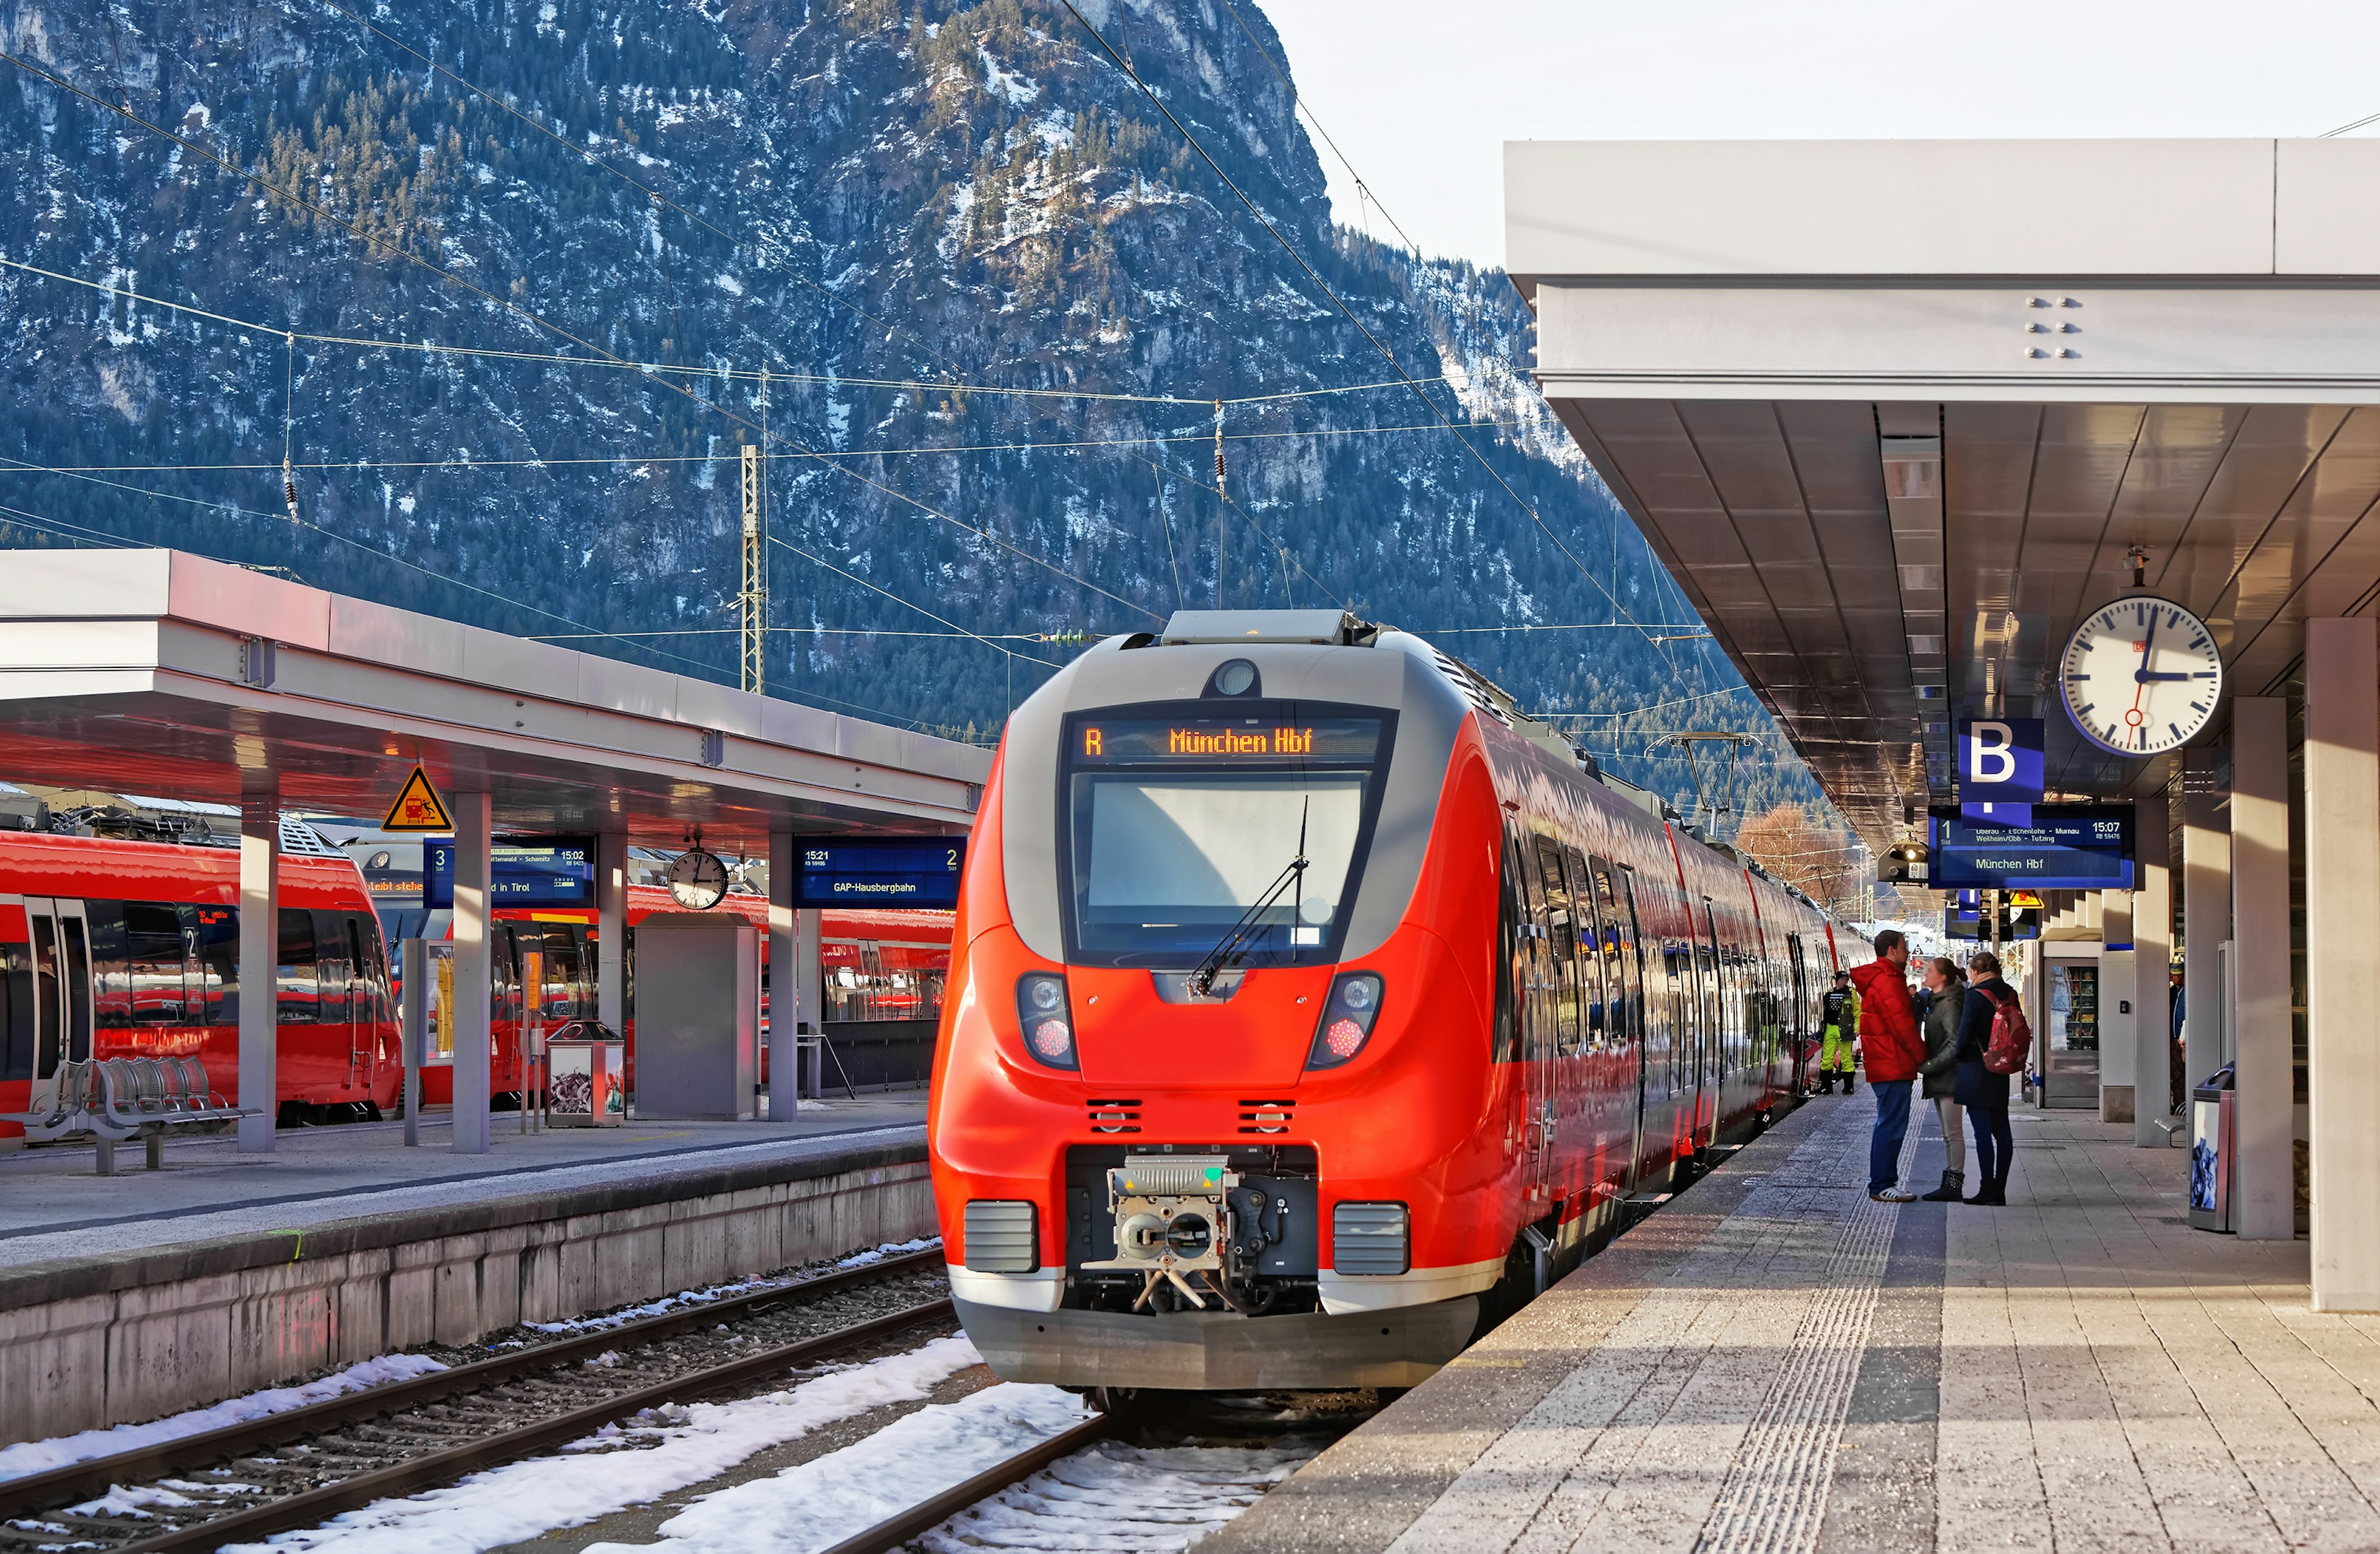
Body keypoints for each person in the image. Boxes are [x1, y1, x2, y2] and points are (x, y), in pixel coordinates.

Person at [1850, 929, 1924, 1202]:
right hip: (1892, 1063)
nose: (1908, 952)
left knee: (1889, 1124)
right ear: (1891, 950)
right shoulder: (1888, 980)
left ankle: (1883, 1182)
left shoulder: (1882, 978)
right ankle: (1882, 1184)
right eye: (1905, 947)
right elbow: (1903, 1027)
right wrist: (1922, 1057)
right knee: (1891, 1126)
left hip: (1887, 1063)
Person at [1957, 949, 2021, 1205]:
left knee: (1982, 1133)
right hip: (2000, 1070)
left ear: (1974, 971)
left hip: (1976, 1069)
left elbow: (1962, 1038)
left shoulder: (1974, 996)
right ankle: (2000, 1190)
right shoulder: (2010, 993)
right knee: (2002, 1131)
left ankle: (1987, 1188)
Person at [1916, 957, 1968, 1201]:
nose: (1925, 974)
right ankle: (1949, 1182)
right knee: (1948, 1133)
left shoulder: (1949, 1003)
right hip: (1942, 1075)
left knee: (1953, 1133)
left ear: (1943, 978)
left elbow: (1955, 1042)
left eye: (1930, 971)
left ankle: (1954, 1184)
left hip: (1950, 1075)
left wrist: (1930, 1066)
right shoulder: (1938, 1002)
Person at [1817, 970, 1859, 1094]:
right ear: (1837, 980)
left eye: (1846, 980)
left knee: (1846, 1058)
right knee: (1827, 1058)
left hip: (1845, 1029)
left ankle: (1848, 1087)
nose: (1844, 982)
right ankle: (1826, 1086)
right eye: (1842, 980)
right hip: (1831, 1028)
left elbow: (1857, 1011)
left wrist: (1857, 1029)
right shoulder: (1829, 994)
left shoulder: (1851, 994)